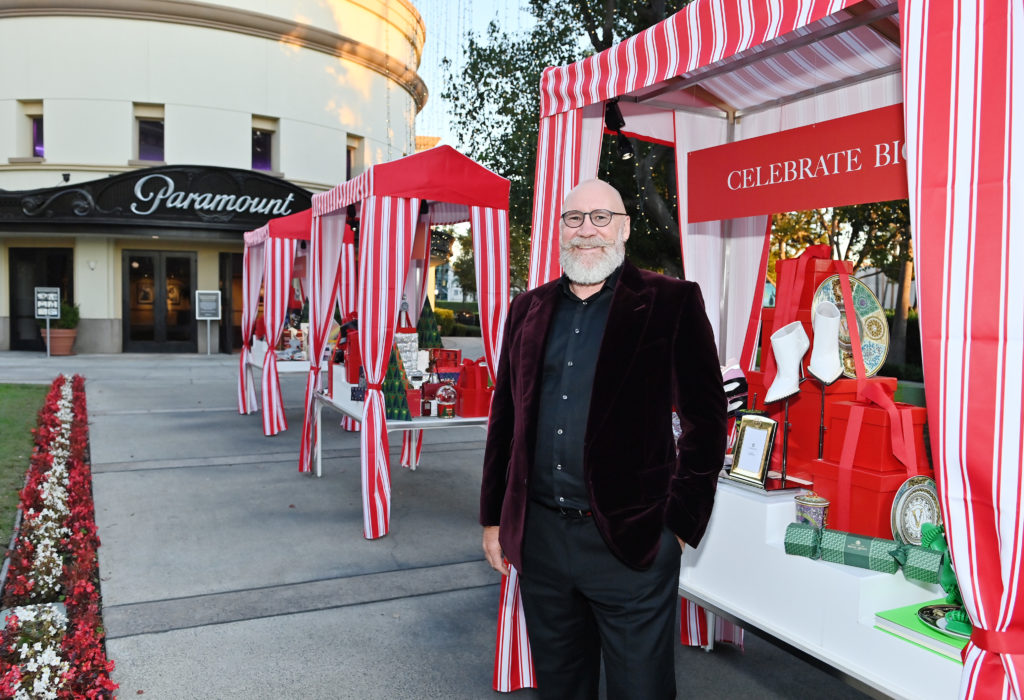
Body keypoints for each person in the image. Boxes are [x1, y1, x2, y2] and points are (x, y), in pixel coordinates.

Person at [479, 179, 727, 700]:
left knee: (642, 691)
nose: (586, 229)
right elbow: (505, 420)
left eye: (600, 217)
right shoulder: (526, 309)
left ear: (624, 228)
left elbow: (707, 421)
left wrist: (676, 528)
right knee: (561, 688)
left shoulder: (671, 302)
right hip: (542, 542)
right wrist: (494, 520)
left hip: (631, 545)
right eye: (574, 218)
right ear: (560, 229)